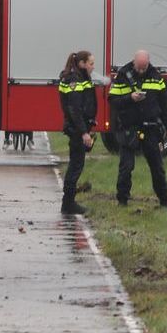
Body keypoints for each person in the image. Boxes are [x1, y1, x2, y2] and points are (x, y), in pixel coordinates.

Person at [108, 48, 167, 210]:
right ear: (134, 62)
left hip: (151, 128)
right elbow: (113, 100)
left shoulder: (156, 76)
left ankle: (164, 201)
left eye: (144, 67)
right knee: (126, 167)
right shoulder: (123, 75)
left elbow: (165, 104)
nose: (142, 70)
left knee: (157, 167)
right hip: (129, 127)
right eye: (139, 67)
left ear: (148, 63)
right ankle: (122, 200)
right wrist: (130, 98)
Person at [57, 50, 97, 215]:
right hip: (77, 130)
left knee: (76, 164)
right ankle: (68, 203)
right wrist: (83, 133)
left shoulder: (80, 77)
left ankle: (68, 202)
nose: (93, 67)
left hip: (79, 128)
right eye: (91, 63)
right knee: (75, 165)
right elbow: (74, 109)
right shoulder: (74, 79)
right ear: (81, 63)